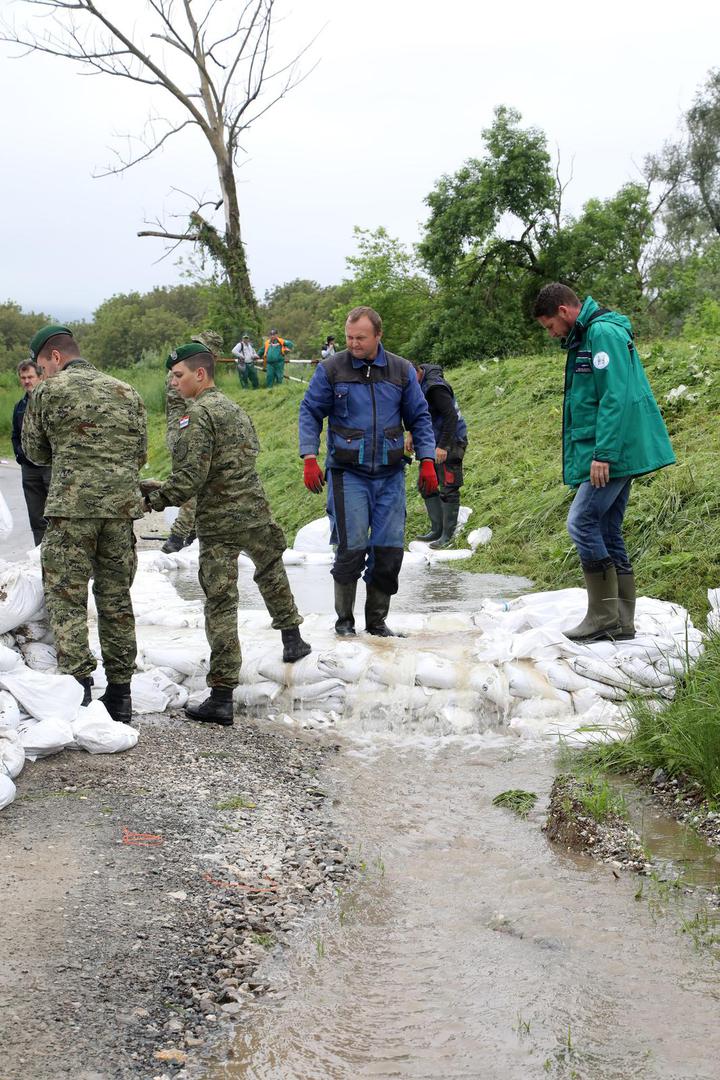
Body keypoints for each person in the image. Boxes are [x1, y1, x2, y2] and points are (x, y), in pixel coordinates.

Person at [143, 342, 311, 726]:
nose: (173, 382)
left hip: (220, 522)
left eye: (178, 375)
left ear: (200, 374)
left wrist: (154, 500)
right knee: (271, 570)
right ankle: (292, 638)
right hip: (255, 510)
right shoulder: (234, 408)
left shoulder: (197, 415)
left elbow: (190, 478)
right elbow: (247, 454)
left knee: (220, 602)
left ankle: (220, 695)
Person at [533, 283, 675, 642]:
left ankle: (603, 616)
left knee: (581, 522)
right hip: (613, 448)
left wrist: (603, 454)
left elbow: (615, 396)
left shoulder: (602, 334)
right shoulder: (589, 335)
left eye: (550, 326)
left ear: (564, 312)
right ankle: (622, 621)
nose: (551, 334)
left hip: (614, 451)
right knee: (608, 528)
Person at [22, 324, 147, 722]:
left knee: (68, 598)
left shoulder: (47, 392)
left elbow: (35, 452)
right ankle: (121, 695)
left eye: (41, 367)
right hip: (120, 511)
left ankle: (78, 692)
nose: (41, 374)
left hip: (71, 510)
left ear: (54, 357)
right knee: (116, 600)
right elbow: (141, 453)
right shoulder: (127, 391)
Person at [298, 305, 438, 637]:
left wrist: (428, 459)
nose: (353, 343)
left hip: (390, 475)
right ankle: (344, 623)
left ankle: (377, 622)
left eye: (360, 337)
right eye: (349, 337)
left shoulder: (401, 371)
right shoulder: (332, 370)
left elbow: (419, 417)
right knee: (351, 547)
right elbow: (310, 411)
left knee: (389, 551)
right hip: (349, 475)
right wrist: (308, 456)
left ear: (378, 335)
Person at [161, 331, 222, 554]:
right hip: (186, 431)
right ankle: (177, 537)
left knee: (194, 482)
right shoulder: (187, 374)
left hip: (181, 429)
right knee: (192, 484)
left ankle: (191, 533)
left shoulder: (184, 367)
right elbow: (198, 405)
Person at [406, 361, 468, 548]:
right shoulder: (418, 383)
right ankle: (436, 529)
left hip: (450, 440)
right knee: (427, 484)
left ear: (416, 373)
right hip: (430, 439)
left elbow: (450, 416)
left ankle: (447, 536)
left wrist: (443, 446)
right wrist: (410, 433)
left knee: (448, 485)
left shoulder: (435, 388)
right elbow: (418, 411)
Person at [11, 360, 52, 546]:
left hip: (50, 468)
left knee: (56, 517)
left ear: (40, 376)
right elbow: (15, 435)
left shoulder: (51, 401)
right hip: (30, 471)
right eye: (23, 377)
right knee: (37, 519)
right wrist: (20, 456)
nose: (27, 381)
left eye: (30, 377)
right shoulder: (19, 406)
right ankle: (41, 561)